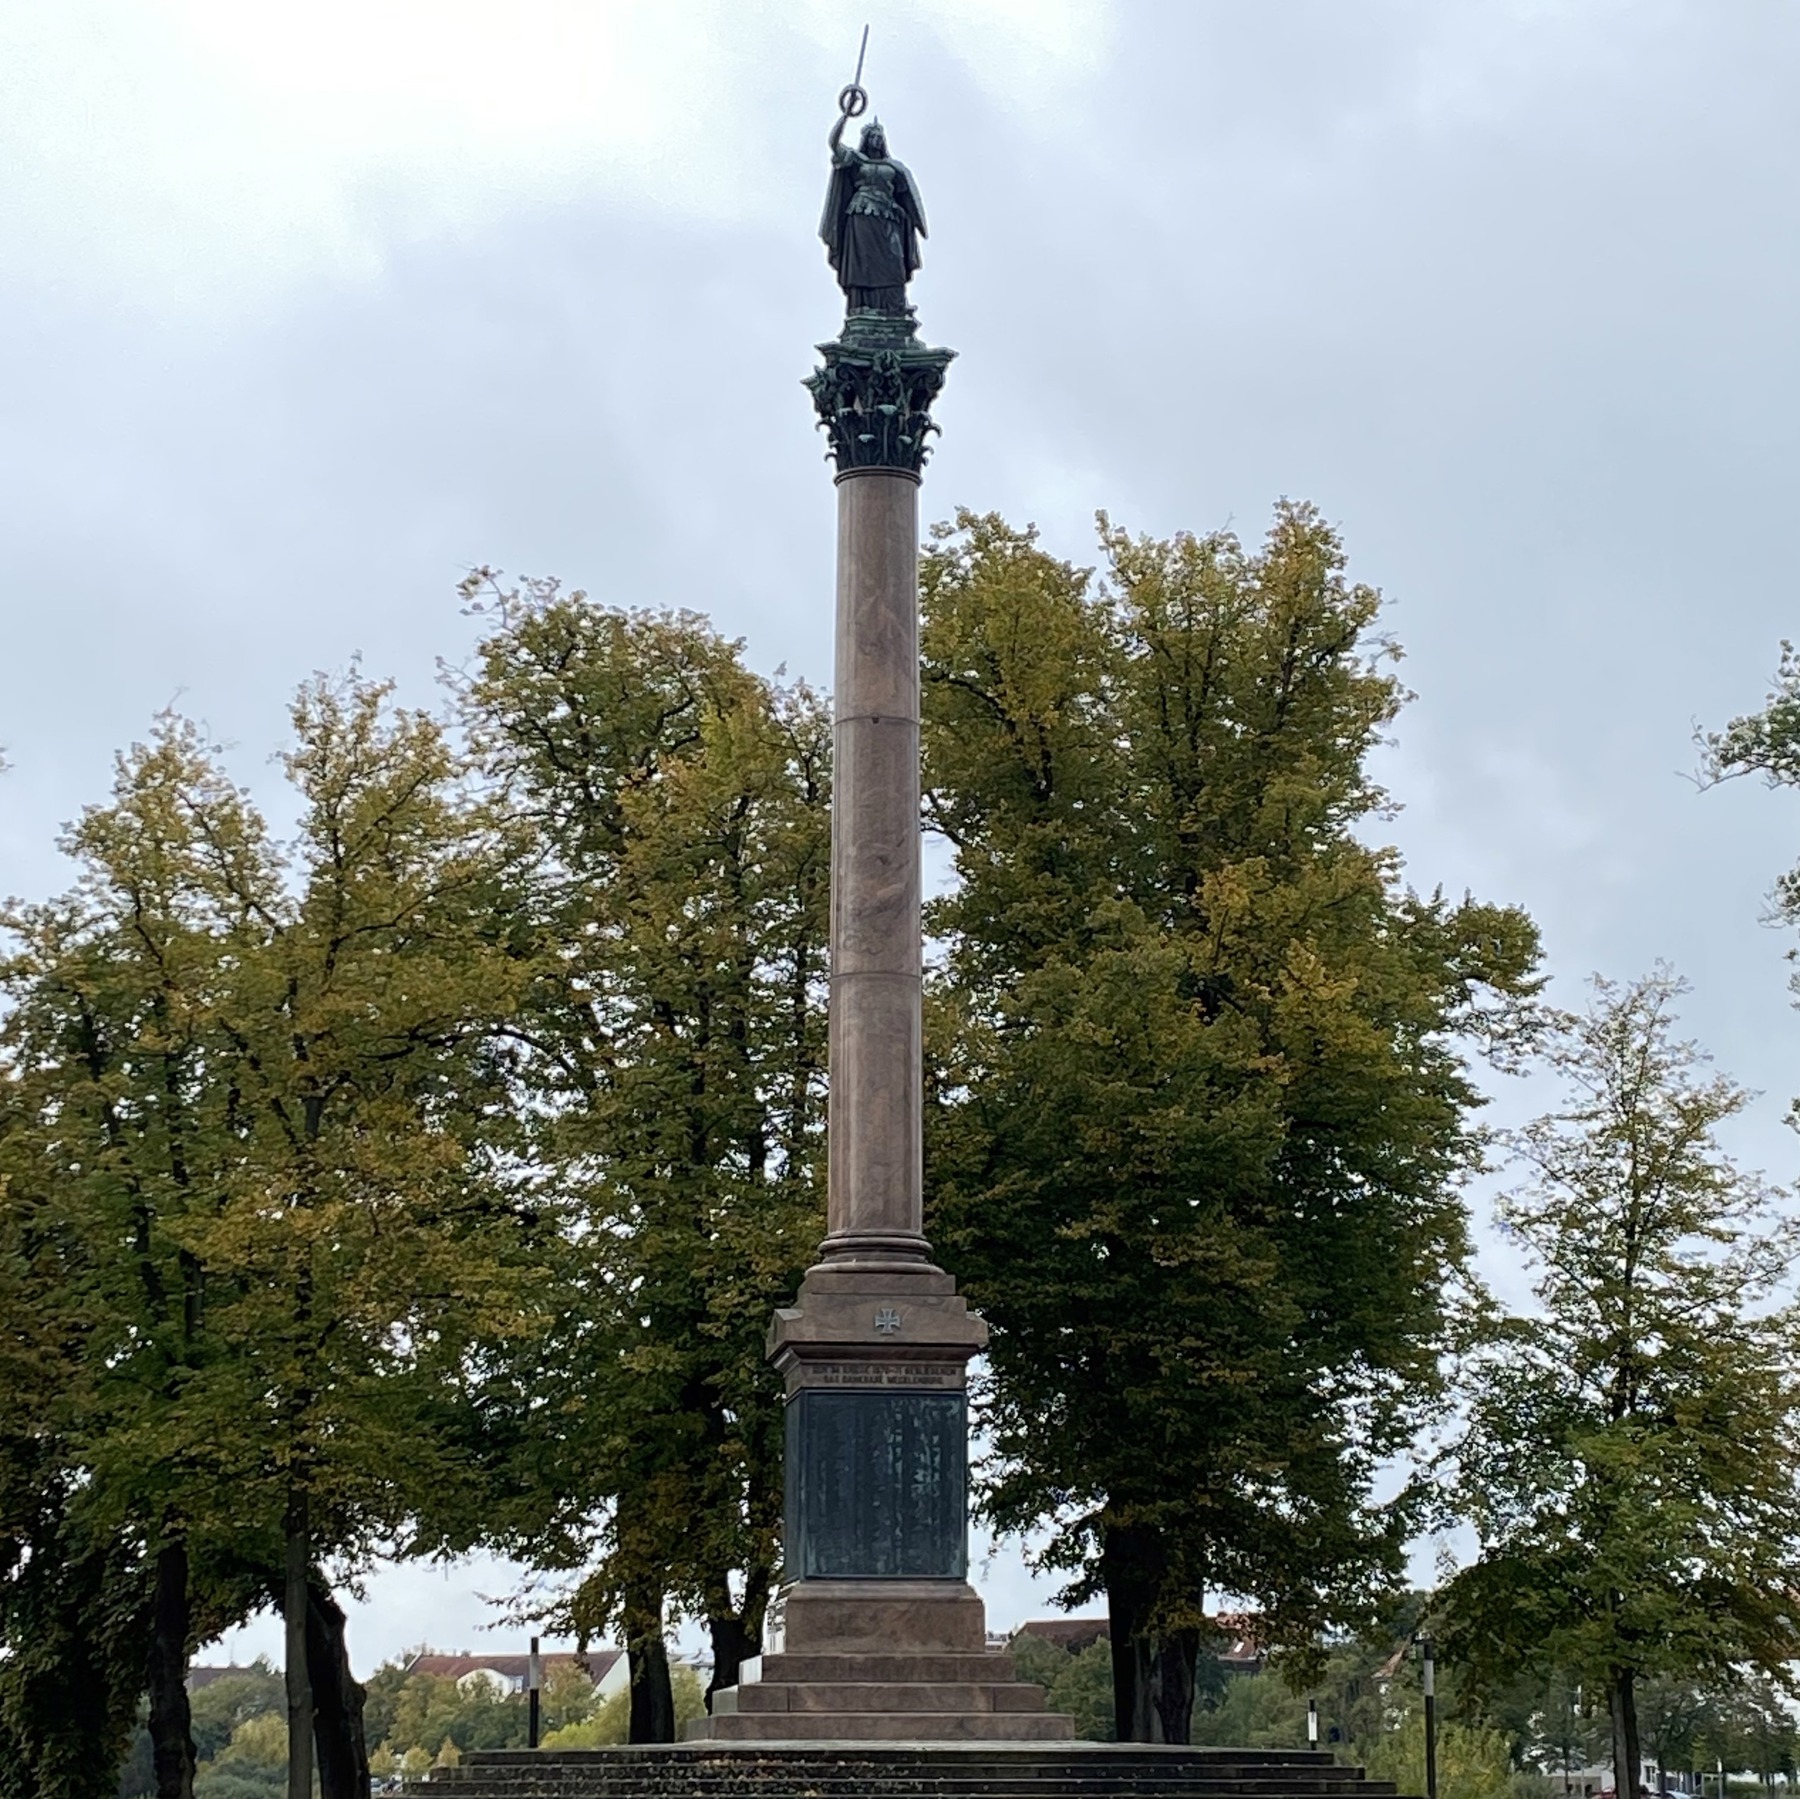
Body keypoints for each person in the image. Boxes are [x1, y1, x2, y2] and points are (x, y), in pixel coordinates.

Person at [819, 109, 928, 316]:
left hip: (888, 217)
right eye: (873, 136)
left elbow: (906, 196)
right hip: (862, 215)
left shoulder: (894, 167)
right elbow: (833, 143)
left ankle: (895, 306)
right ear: (866, 139)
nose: (877, 140)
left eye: (880, 136)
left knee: (894, 259)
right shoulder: (857, 160)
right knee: (863, 261)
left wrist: (907, 215)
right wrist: (845, 116)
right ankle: (861, 306)